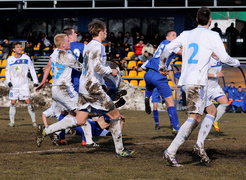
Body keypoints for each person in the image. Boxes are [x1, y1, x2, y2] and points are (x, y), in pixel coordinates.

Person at [36, 20, 135, 157]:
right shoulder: (98, 46)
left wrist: (102, 84)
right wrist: (111, 71)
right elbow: (97, 67)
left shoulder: (88, 46)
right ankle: (120, 150)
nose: (106, 33)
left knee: (80, 120)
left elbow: (88, 68)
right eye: (105, 31)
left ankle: (47, 130)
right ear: (101, 32)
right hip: (92, 87)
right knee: (116, 116)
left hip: (84, 86)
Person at [162, 7, 240, 167]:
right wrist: (236, 62)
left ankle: (199, 144)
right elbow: (224, 57)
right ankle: (170, 151)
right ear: (210, 21)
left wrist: (162, 64)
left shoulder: (186, 34)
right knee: (195, 117)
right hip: (196, 82)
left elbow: (168, 48)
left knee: (211, 111)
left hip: (188, 81)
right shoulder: (212, 35)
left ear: (196, 20)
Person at [142, 30, 180, 134]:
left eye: (176, 35)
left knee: (150, 87)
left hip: (148, 73)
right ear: (167, 37)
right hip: (158, 76)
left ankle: (147, 96)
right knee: (170, 102)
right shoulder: (170, 45)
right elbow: (182, 53)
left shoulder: (161, 44)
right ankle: (176, 128)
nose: (175, 37)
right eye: (173, 35)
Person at [5, 41, 39, 127]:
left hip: (24, 84)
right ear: (14, 49)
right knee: (13, 102)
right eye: (18, 47)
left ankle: (34, 121)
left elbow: (32, 69)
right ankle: (12, 122)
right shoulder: (10, 60)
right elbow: (7, 71)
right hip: (14, 85)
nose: (20, 48)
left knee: (28, 101)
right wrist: (8, 81)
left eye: (20, 47)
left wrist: (35, 81)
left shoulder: (26, 58)